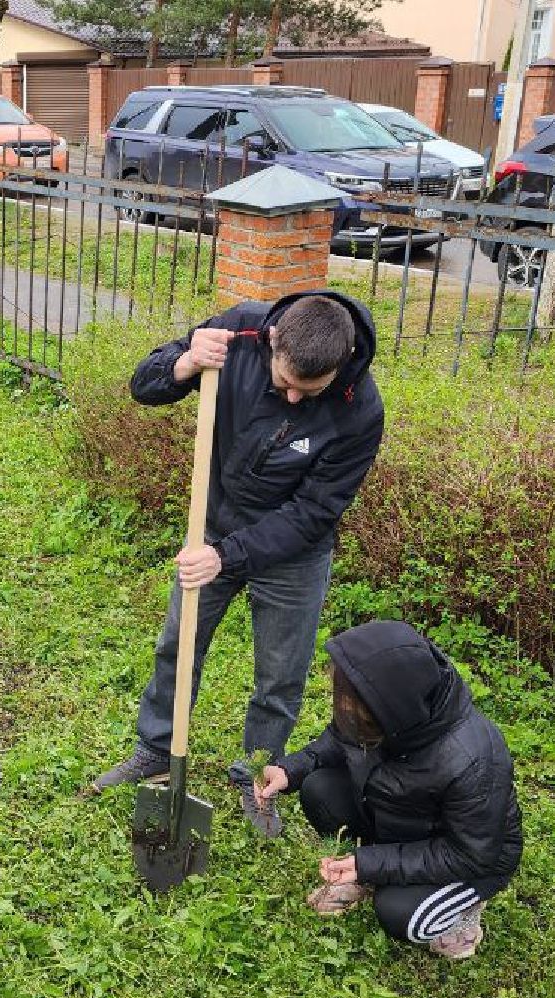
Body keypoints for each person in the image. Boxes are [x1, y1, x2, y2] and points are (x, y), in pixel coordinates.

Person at [89, 291, 385, 839]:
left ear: (339, 365)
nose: (294, 399)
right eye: (284, 383)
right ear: (273, 342)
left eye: (309, 391)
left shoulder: (359, 409)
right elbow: (143, 386)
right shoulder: (240, 333)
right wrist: (182, 364)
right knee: (179, 645)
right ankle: (156, 750)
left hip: (292, 554)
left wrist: (227, 555)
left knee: (280, 675)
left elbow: (314, 512)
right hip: (216, 522)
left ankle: (256, 777)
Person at [252, 620, 523, 961]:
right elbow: (339, 738)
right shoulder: (391, 710)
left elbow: (469, 854)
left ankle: (462, 912)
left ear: (392, 707)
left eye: (351, 701)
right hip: (402, 823)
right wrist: (291, 769)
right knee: (319, 789)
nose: (344, 708)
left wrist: (370, 863)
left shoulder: (474, 759)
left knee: (400, 913)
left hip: (470, 858)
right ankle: (364, 874)